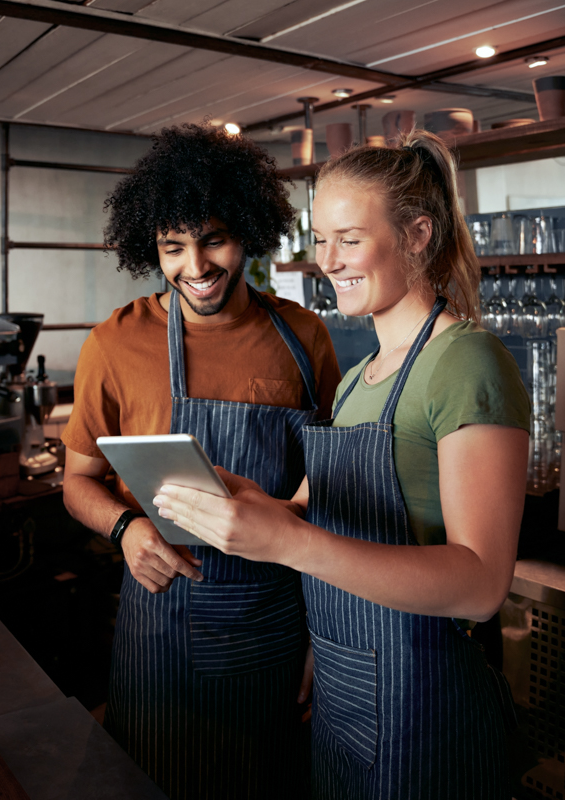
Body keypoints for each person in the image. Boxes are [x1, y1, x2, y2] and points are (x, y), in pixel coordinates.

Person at [153, 130, 532, 800]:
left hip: (428, 704)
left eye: (349, 238)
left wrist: (291, 541)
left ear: (417, 234)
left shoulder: (467, 362)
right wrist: (247, 500)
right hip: (340, 691)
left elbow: (479, 583)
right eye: (320, 238)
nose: (327, 260)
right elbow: (307, 512)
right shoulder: (359, 377)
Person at [61, 123, 341, 800]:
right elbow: (78, 480)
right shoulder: (114, 343)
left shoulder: (303, 338)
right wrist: (127, 531)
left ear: (246, 229)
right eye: (172, 247)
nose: (196, 265)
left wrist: (319, 644)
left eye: (212, 238)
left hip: (276, 626)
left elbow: (329, 489)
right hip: (161, 632)